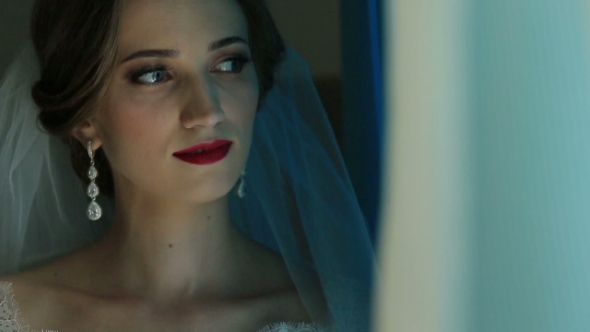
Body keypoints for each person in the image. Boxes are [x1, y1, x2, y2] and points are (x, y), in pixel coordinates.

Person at [0, 0, 375, 331]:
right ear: (85, 119)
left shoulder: (349, 317)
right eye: (154, 74)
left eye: (229, 63)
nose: (207, 111)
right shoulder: (13, 315)